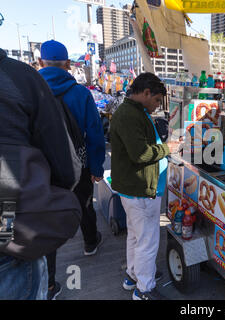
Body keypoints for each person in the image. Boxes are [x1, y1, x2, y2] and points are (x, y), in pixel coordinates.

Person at [0, 48, 81, 299]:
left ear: (40, 61)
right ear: (67, 63)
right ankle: (51, 284)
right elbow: (65, 167)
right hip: (12, 230)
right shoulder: (21, 79)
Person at [38, 40, 106, 299]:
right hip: (80, 164)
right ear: (67, 64)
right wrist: (96, 167)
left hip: (43, 169)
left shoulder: (32, 90)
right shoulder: (80, 93)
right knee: (84, 204)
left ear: (42, 63)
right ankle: (90, 242)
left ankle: (50, 284)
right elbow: (95, 134)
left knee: (48, 219)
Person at [110, 73, 181, 300]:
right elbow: (141, 154)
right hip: (140, 189)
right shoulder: (130, 115)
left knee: (136, 237)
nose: (157, 106)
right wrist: (168, 148)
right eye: (158, 100)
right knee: (148, 241)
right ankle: (145, 289)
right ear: (146, 93)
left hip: (134, 189)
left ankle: (134, 275)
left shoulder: (133, 111)